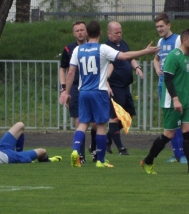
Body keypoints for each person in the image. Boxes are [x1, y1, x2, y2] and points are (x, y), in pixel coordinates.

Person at [63, 20, 159, 167]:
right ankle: (101, 160)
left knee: (82, 124)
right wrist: (146, 51)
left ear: (87, 34)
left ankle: (76, 151)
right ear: (101, 33)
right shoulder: (103, 49)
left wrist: (67, 92)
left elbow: (70, 72)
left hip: (83, 92)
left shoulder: (78, 50)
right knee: (101, 126)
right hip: (99, 91)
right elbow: (125, 56)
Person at [92, 21, 143, 157]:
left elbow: (130, 56)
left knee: (129, 116)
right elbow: (104, 69)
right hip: (115, 87)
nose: (119, 35)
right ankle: (121, 148)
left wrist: (137, 67)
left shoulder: (123, 44)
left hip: (125, 87)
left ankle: (108, 139)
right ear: (108, 33)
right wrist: (107, 84)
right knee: (115, 117)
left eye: (120, 32)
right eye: (116, 33)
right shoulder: (105, 47)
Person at [141, 29, 189, 174]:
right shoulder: (174, 56)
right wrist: (175, 99)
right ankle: (148, 161)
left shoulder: (187, 57)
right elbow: (167, 78)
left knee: (187, 132)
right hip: (172, 102)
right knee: (169, 134)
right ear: (185, 40)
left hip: (186, 101)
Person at [59, 21, 96, 163]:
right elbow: (63, 69)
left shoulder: (94, 47)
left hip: (91, 86)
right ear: (74, 33)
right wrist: (64, 89)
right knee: (79, 121)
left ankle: (94, 146)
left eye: (82, 30)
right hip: (75, 88)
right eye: (77, 30)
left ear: (87, 32)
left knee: (94, 123)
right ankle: (81, 156)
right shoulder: (69, 49)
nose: (80, 32)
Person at [153, 12, 187, 164]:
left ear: (169, 25)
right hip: (164, 84)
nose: (159, 29)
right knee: (171, 122)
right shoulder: (160, 41)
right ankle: (176, 153)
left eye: (161, 26)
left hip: (175, 84)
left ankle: (182, 154)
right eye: (157, 27)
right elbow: (156, 58)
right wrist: (157, 69)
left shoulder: (178, 39)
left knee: (180, 122)